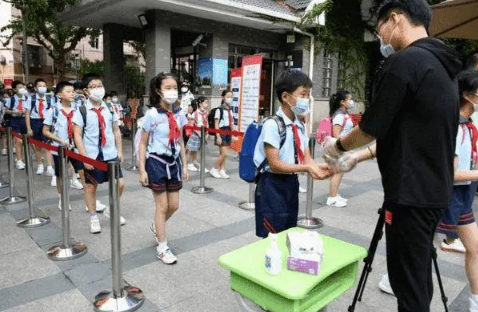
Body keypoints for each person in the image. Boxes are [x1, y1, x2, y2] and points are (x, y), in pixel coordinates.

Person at [322, 1, 462, 311]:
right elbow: (408, 132)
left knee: (407, 286)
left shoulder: (406, 62)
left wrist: (338, 148)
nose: (381, 36)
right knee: (417, 276)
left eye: (380, 28)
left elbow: (372, 125)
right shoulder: (443, 66)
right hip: (434, 190)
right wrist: (359, 158)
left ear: (395, 19)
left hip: (410, 195)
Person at [254, 69, 330, 238]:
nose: (307, 100)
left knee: (289, 231)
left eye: (308, 95)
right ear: (286, 97)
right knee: (272, 235)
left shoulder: (300, 125)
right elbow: (275, 164)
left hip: (290, 183)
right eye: (303, 94)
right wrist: (307, 169)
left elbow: (307, 158)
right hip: (271, 185)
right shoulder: (272, 125)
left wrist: (318, 168)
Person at [138, 72, 189, 264]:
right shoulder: (152, 115)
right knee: (162, 206)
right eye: (168, 88)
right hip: (156, 163)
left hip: (173, 163)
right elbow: (142, 143)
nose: (172, 91)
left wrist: (184, 165)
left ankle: (156, 227)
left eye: (174, 88)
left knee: (174, 205)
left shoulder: (180, 113)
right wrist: (142, 169)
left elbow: (180, 140)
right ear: (159, 91)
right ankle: (162, 247)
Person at [73, 74, 126, 234]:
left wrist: (120, 150)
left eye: (100, 85)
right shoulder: (81, 110)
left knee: (120, 184)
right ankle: (94, 218)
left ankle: (111, 209)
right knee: (90, 187)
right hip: (92, 154)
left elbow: (116, 129)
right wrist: (84, 157)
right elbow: (77, 134)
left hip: (110, 153)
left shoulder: (110, 107)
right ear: (86, 91)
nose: (98, 89)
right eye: (93, 86)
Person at [43, 81, 86, 210]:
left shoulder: (78, 108)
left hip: (75, 147)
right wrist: (60, 140)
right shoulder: (54, 110)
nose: (72, 94)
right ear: (60, 95)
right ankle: (62, 199)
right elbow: (45, 131)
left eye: (73, 91)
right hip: (59, 148)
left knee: (83, 173)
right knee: (61, 175)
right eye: (68, 91)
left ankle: (89, 199)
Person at [326, 91, 355, 208]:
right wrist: (345, 142)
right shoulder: (339, 115)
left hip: (343, 147)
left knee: (340, 172)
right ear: (342, 102)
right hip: (339, 147)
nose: (352, 101)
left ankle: (335, 194)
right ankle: (331, 198)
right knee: (338, 172)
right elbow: (336, 133)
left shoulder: (344, 113)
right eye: (349, 99)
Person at [24, 78, 55, 176]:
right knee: (37, 146)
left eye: (44, 86)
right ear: (35, 88)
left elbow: (53, 111)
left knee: (48, 145)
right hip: (35, 122)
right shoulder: (31, 98)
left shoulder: (50, 98)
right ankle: (40, 165)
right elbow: (27, 114)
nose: (42, 88)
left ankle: (50, 167)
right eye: (40, 86)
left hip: (46, 122)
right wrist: (29, 128)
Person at [4, 81, 28, 170]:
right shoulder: (10, 99)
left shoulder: (27, 98)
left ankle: (20, 158)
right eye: (19, 87)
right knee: (18, 141)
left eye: (23, 87)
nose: (22, 89)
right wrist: (15, 111)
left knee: (24, 141)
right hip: (15, 120)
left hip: (25, 120)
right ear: (14, 89)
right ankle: (19, 161)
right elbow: (6, 111)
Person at [210, 90, 234, 179]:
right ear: (223, 97)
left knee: (222, 153)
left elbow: (231, 123)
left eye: (231, 97)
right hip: (221, 131)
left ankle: (222, 170)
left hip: (228, 131)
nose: (230, 98)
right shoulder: (219, 110)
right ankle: (214, 169)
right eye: (228, 96)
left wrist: (233, 134)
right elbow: (216, 124)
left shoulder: (230, 110)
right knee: (224, 153)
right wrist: (218, 136)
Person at [186, 97, 209, 172]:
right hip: (197, 134)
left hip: (204, 134)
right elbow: (192, 125)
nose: (207, 104)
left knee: (202, 150)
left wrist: (207, 133)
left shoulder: (205, 113)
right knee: (193, 150)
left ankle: (201, 166)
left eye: (207, 103)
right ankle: (190, 164)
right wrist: (199, 133)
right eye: (205, 103)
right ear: (200, 103)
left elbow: (206, 123)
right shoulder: (195, 113)